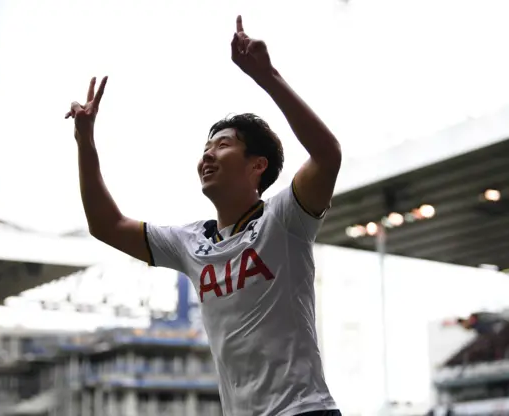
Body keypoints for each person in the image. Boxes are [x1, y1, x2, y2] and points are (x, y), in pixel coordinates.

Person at [66, 16, 342, 416]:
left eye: (224, 145)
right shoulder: (190, 243)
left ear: (257, 165)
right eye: (206, 147)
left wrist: (267, 76)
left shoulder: (285, 220)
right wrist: (85, 141)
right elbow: (105, 225)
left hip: (304, 411)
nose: (207, 155)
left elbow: (328, 155)